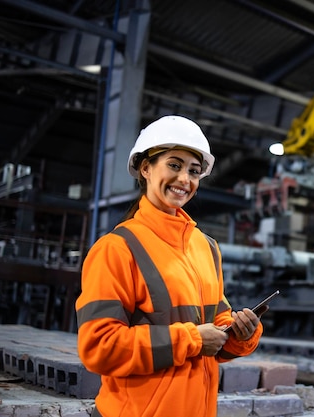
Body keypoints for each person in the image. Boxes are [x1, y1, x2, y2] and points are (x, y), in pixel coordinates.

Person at [75, 115, 264, 417]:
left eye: (194, 171)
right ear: (145, 168)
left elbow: (216, 329)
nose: (184, 180)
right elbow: (100, 347)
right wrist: (192, 339)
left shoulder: (207, 247)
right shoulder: (117, 248)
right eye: (174, 165)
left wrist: (240, 334)